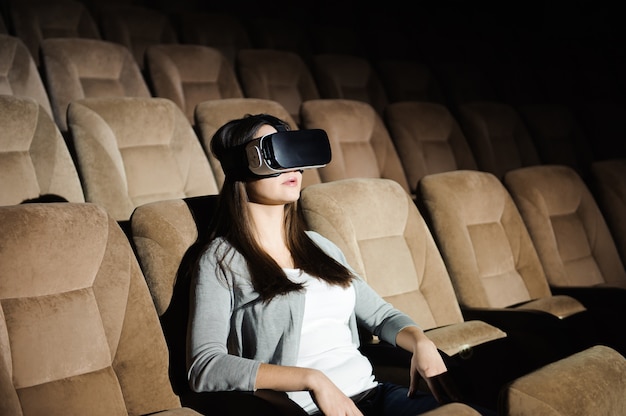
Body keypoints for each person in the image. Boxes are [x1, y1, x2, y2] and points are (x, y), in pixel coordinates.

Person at [187, 114, 493, 416]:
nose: (293, 165)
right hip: (307, 410)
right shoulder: (221, 260)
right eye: (275, 153)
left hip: (377, 394)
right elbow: (206, 365)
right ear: (244, 164)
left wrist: (420, 341)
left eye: (294, 152)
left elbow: (381, 315)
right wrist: (312, 379)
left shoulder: (320, 247)